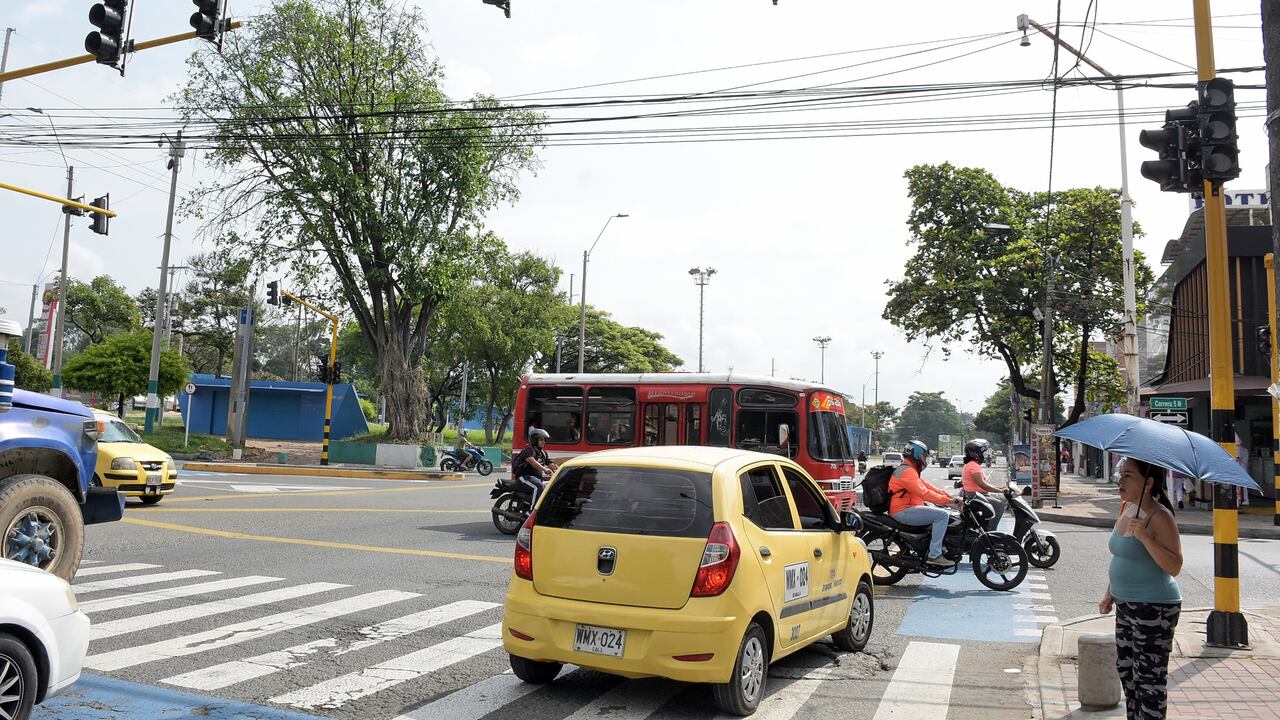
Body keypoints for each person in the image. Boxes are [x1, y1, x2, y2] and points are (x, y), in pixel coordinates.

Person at [1098, 457, 1183, 720]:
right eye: (1120, 475)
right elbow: (1123, 557)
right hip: (1126, 604)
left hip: (1154, 608)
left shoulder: (1160, 516)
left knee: (1149, 679)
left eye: (1128, 476)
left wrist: (1145, 537)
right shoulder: (1127, 507)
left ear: (1148, 483)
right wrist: (1110, 592)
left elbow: (1174, 565)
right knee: (1127, 671)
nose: (1120, 481)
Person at [889, 440, 962, 567]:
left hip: (909, 507)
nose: (925, 459)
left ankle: (927, 547)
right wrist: (949, 501)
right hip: (903, 511)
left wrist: (950, 496)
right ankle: (934, 555)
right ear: (917, 454)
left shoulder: (909, 469)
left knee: (938, 510)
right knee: (942, 515)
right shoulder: (907, 471)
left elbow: (928, 487)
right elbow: (924, 493)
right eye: (924, 456)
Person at [960, 439, 1007, 531]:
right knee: (999, 505)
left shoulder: (972, 464)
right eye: (982, 452)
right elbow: (983, 485)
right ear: (976, 453)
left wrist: (1000, 488)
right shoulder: (973, 466)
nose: (984, 455)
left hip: (977, 494)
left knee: (998, 499)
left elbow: (984, 484)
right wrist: (1000, 490)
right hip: (973, 496)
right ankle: (991, 531)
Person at [513, 428, 557, 506]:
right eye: (541, 440)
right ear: (535, 440)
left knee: (551, 486)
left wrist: (562, 470)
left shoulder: (543, 453)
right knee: (538, 486)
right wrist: (545, 469)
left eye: (544, 440)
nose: (544, 442)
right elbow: (533, 462)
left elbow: (551, 464)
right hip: (524, 477)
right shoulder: (528, 450)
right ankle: (533, 512)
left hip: (536, 478)